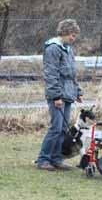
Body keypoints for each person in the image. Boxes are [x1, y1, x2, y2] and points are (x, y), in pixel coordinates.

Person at [36, 19, 83, 171]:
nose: (73, 38)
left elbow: (72, 73)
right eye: (72, 35)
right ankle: (43, 159)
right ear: (65, 32)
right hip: (57, 96)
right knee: (55, 128)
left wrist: (77, 92)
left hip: (68, 95)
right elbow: (51, 74)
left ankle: (56, 159)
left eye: (75, 35)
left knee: (63, 129)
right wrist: (56, 96)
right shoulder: (53, 49)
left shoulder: (68, 49)